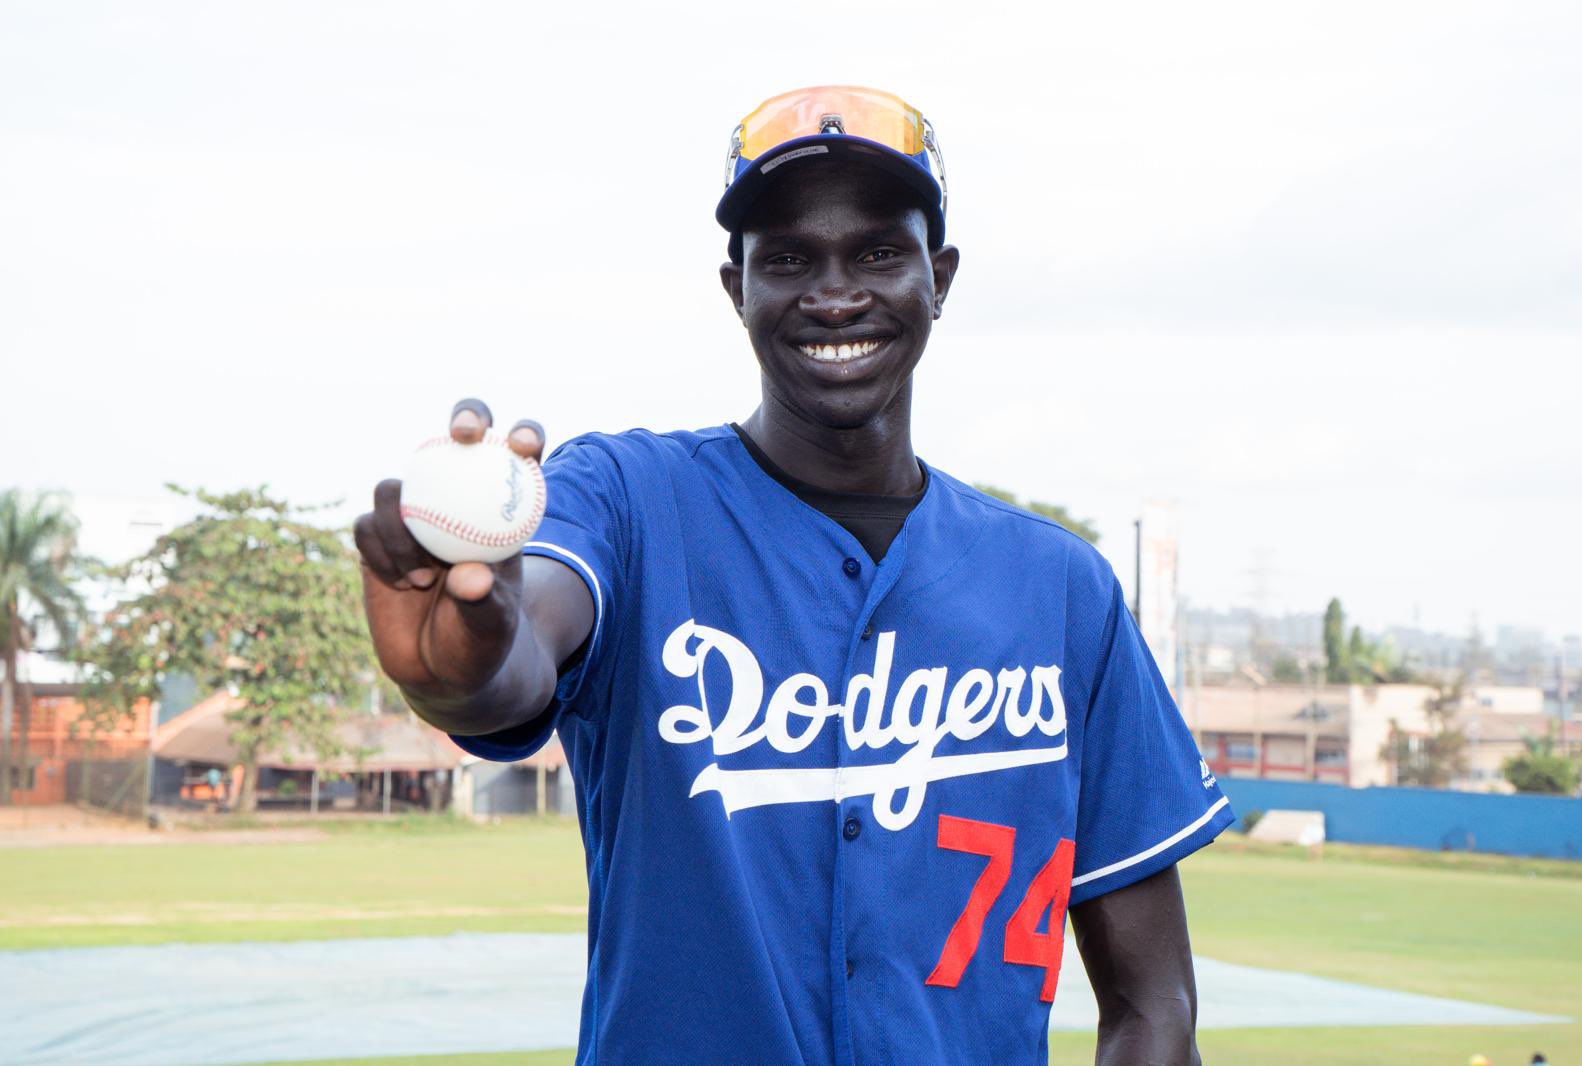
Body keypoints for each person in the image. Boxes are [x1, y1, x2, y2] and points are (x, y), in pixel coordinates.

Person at [356, 85, 1233, 1065]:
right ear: (736, 287)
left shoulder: (1062, 590)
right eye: (786, 258)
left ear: (937, 276)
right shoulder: (627, 499)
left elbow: (1155, 1008)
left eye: (875, 252)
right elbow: (519, 652)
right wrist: (458, 662)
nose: (833, 293)